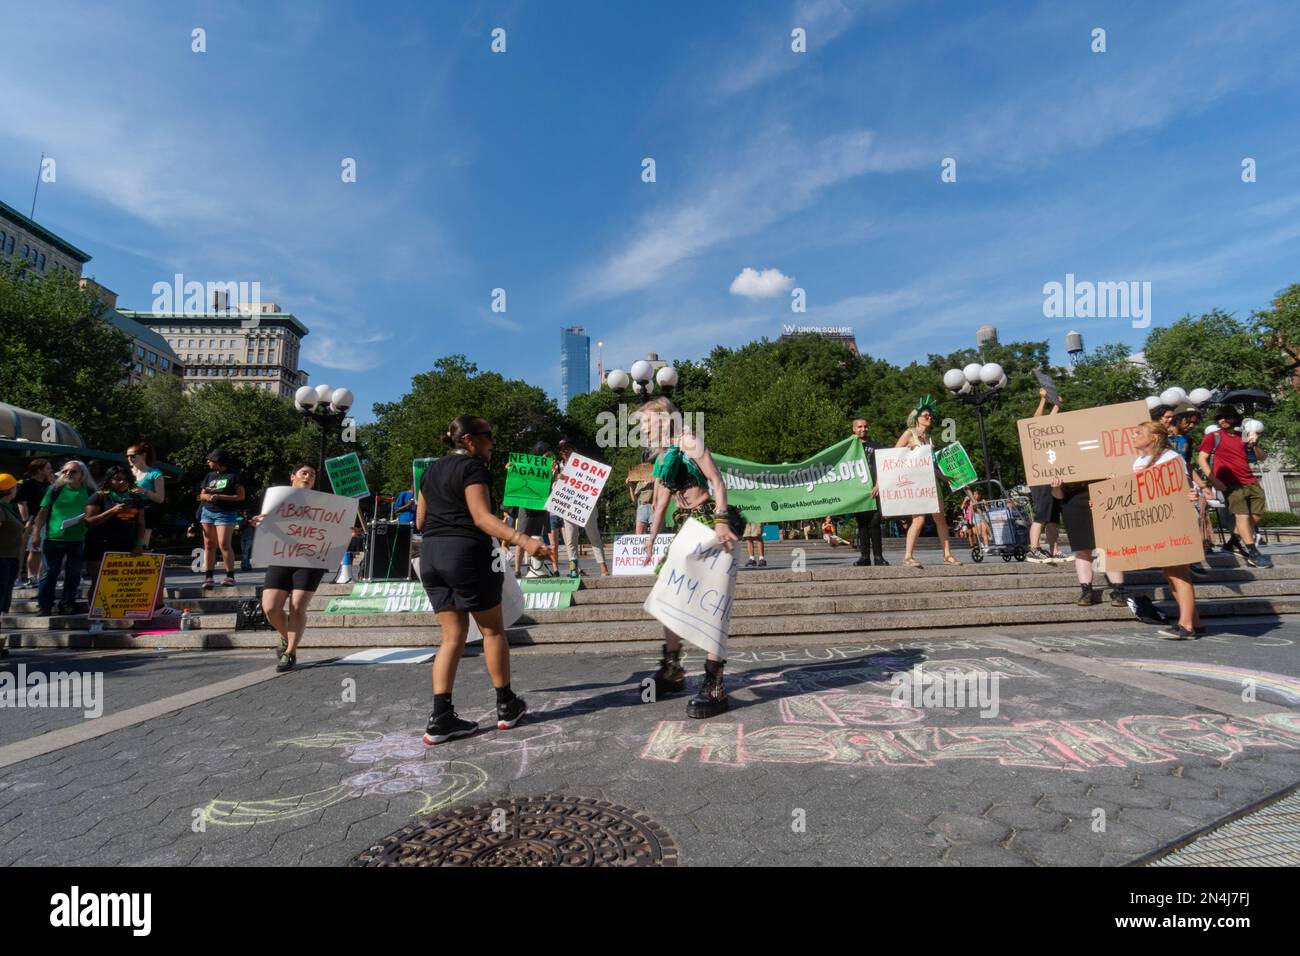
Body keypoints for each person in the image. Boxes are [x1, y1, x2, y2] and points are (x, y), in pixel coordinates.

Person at [418, 415, 546, 744]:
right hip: (466, 555)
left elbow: (420, 519)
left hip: (431, 556)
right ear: (470, 440)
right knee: (491, 629)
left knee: (451, 638)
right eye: (488, 436)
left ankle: (441, 717)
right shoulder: (474, 468)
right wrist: (525, 540)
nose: (493, 443)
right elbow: (481, 517)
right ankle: (506, 705)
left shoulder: (430, 470)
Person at [638, 396, 742, 718]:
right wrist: (651, 539)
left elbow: (717, 482)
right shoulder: (664, 455)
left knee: (714, 600)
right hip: (685, 526)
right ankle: (672, 668)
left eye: (645, 422)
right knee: (670, 589)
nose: (641, 429)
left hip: (711, 521)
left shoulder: (688, 441)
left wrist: (723, 522)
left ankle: (714, 681)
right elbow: (661, 502)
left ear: (664, 419)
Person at [247, 464, 329, 672]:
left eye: (312, 474)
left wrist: (347, 532)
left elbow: (331, 527)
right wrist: (260, 522)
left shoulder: (324, 503)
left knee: (297, 607)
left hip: (310, 560)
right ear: (292, 476)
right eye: (304, 473)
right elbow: (269, 523)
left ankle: (290, 652)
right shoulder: (279, 499)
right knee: (271, 608)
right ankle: (287, 636)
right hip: (282, 557)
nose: (309, 476)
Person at [1132, 422, 1204, 639]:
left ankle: (1186, 625)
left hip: (1174, 519)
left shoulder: (1171, 458)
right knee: (1169, 573)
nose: (1133, 437)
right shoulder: (1139, 461)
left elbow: (1183, 486)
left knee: (1178, 571)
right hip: (1156, 520)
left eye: (1139, 433)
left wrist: (1191, 493)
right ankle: (1195, 621)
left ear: (1154, 437)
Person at [1197, 408, 1271, 569]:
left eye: (1226, 417)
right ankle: (1253, 553)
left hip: (1250, 480)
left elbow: (1262, 457)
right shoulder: (1213, 437)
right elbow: (1201, 459)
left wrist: (1254, 444)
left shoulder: (1242, 436)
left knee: (1257, 515)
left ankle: (1232, 543)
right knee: (1242, 515)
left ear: (1235, 419)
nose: (1222, 420)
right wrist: (1213, 480)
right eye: (1219, 418)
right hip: (1229, 482)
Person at [895, 397, 960, 568]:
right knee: (919, 520)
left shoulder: (929, 438)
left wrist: (943, 477)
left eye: (930, 416)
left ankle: (947, 555)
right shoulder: (909, 433)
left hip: (931, 481)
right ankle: (908, 556)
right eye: (925, 415)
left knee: (940, 518)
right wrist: (907, 451)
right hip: (915, 483)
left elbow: (930, 464)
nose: (929, 418)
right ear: (917, 418)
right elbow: (893, 455)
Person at [1049, 475, 1130, 611]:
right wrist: (1056, 486)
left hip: (1102, 496)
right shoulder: (1060, 461)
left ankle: (1119, 591)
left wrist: (1112, 481)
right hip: (1073, 503)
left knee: (1107, 547)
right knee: (1082, 549)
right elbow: (1057, 495)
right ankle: (1086, 591)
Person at [33, 460, 95, 616]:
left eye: (73, 471)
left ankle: (67, 604)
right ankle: (44, 606)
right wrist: (36, 534)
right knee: (49, 573)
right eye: (65, 471)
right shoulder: (55, 490)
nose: (68, 474)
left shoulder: (89, 491)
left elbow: (95, 515)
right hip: (53, 538)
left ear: (82, 475)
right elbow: (42, 513)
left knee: (73, 573)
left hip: (78, 539)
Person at [82, 466, 147, 590]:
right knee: (99, 585)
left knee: (121, 585)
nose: (122, 482)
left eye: (125, 479)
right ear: (109, 480)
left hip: (126, 546)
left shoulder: (136, 498)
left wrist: (139, 544)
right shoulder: (99, 496)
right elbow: (88, 521)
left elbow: (141, 524)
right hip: (100, 546)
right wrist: (112, 511)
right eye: (117, 479)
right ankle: (97, 610)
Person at [556, 438, 610, 577]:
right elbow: (554, 490)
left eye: (567, 448)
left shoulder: (585, 465)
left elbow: (596, 483)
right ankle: (573, 568)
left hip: (586, 505)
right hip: (568, 505)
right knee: (570, 539)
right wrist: (557, 479)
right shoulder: (557, 467)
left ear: (574, 449)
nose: (565, 452)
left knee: (594, 536)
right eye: (562, 449)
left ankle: (603, 567)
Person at [198, 448, 246, 589]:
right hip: (207, 512)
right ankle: (208, 577)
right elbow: (202, 494)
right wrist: (207, 497)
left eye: (210, 460)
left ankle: (229, 576)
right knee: (209, 544)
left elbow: (241, 496)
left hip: (225, 513)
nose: (208, 462)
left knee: (224, 544)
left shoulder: (234, 476)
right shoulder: (209, 475)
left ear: (219, 461)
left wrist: (220, 496)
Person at [512, 442, 559, 578]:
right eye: (545, 456)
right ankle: (517, 570)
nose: (547, 459)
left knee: (540, 538)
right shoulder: (527, 465)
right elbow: (518, 479)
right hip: (526, 507)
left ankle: (542, 569)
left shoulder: (551, 468)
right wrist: (512, 469)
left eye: (549, 457)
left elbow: (549, 487)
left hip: (541, 507)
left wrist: (553, 474)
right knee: (521, 538)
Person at [1026, 388, 1062, 562]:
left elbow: (1050, 423)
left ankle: (1055, 550)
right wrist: (1043, 400)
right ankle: (1034, 548)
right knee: (1042, 514)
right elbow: (1036, 423)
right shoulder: (1033, 438)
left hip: (1052, 476)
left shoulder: (1049, 439)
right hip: (1039, 477)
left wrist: (1056, 405)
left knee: (1053, 516)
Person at [850, 417, 886, 566]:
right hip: (858, 493)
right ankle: (864, 557)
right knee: (862, 525)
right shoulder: (849, 447)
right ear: (854, 429)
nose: (863, 429)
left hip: (874, 490)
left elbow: (883, 466)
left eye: (865, 426)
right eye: (859, 427)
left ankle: (878, 557)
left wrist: (878, 484)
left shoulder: (876, 446)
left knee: (875, 523)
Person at [15, 459, 53, 588]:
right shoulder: (28, 484)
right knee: (27, 549)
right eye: (48, 468)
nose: (51, 470)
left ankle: (35, 577)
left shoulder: (48, 484)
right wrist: (26, 521)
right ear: (39, 470)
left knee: (38, 549)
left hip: (44, 521)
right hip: (31, 520)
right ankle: (21, 577)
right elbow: (21, 502)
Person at [0, 474, 24, 622]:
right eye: (15, 486)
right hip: (1, 559)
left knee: (3, 597)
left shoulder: (7, 508)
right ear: (9, 490)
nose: (17, 489)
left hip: (9, 558)